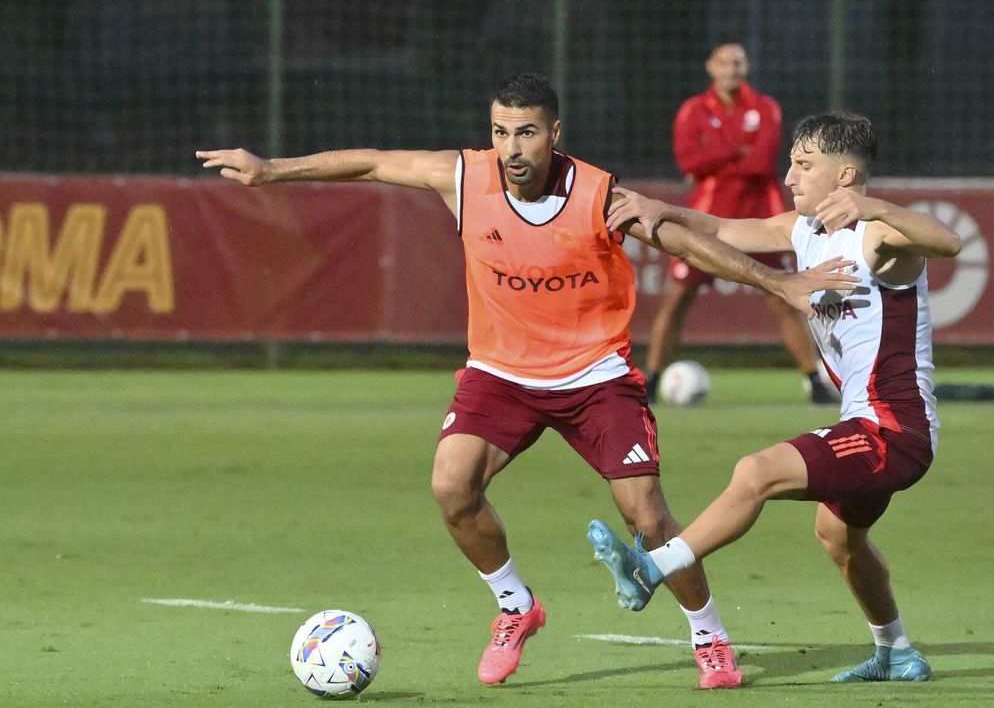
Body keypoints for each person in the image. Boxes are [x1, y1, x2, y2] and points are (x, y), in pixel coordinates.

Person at [195, 74, 855, 689]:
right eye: (501, 132)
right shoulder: (462, 177)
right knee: (452, 488)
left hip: (596, 377)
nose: (511, 148)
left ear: (555, 134)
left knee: (647, 517)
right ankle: (516, 606)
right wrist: (270, 170)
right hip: (500, 375)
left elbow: (679, 239)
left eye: (527, 132)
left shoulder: (597, 194)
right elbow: (371, 161)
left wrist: (778, 282)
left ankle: (709, 636)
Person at [589, 112, 962, 686]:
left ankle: (652, 568)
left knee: (756, 471)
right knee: (839, 539)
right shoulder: (803, 228)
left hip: (894, 432)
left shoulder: (879, 238)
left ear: (844, 176)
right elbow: (725, 229)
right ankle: (897, 653)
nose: (788, 175)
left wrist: (878, 207)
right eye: (790, 161)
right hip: (864, 425)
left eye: (803, 164)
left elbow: (950, 240)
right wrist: (664, 211)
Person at [646, 41, 836, 405]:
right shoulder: (693, 109)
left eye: (737, 63)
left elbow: (762, 161)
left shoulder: (765, 108)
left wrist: (717, 154)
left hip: (760, 219)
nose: (731, 69)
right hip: (707, 218)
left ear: (746, 67)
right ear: (710, 67)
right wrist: (737, 150)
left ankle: (814, 380)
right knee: (677, 299)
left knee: (783, 295)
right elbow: (689, 160)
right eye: (724, 63)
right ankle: (651, 380)